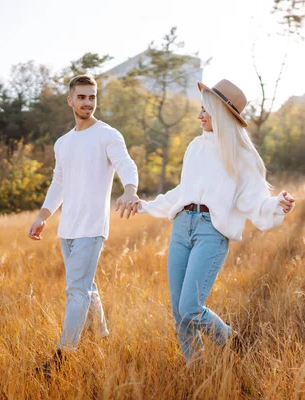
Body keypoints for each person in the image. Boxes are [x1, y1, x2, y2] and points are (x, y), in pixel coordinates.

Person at [121, 79, 295, 362]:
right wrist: (145, 206)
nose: (199, 116)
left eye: (206, 110)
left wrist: (278, 205)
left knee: (191, 307)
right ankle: (197, 368)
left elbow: (252, 199)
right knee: (179, 312)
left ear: (222, 113)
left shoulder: (241, 156)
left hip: (210, 232)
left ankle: (233, 342)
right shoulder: (195, 147)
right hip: (181, 226)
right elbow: (183, 191)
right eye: (200, 109)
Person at [29, 74, 140, 374]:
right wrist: (43, 215)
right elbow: (59, 182)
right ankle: (102, 335)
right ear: (70, 100)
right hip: (68, 229)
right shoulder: (63, 143)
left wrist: (130, 189)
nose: (87, 102)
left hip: (92, 227)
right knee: (86, 286)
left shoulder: (108, 134)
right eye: (82, 97)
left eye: (92, 97)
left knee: (75, 290)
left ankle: (62, 358)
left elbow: (126, 164)